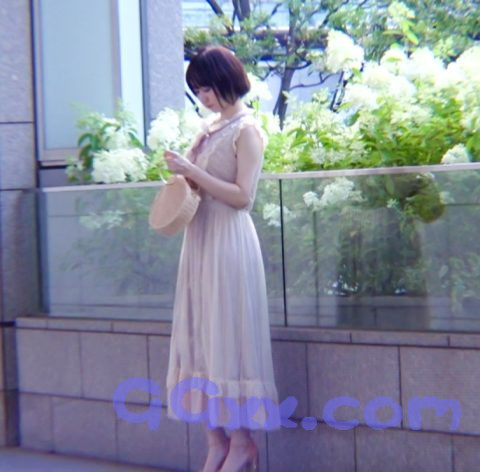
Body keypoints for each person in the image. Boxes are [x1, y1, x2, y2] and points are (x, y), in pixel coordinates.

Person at [164, 45, 280, 472]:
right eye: (197, 90)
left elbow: (243, 197)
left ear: (225, 81)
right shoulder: (209, 129)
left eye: (206, 88)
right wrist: (184, 172)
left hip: (228, 240)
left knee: (225, 334)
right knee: (198, 335)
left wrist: (192, 171)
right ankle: (217, 441)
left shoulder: (247, 130)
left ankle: (242, 443)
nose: (203, 97)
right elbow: (199, 187)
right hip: (199, 239)